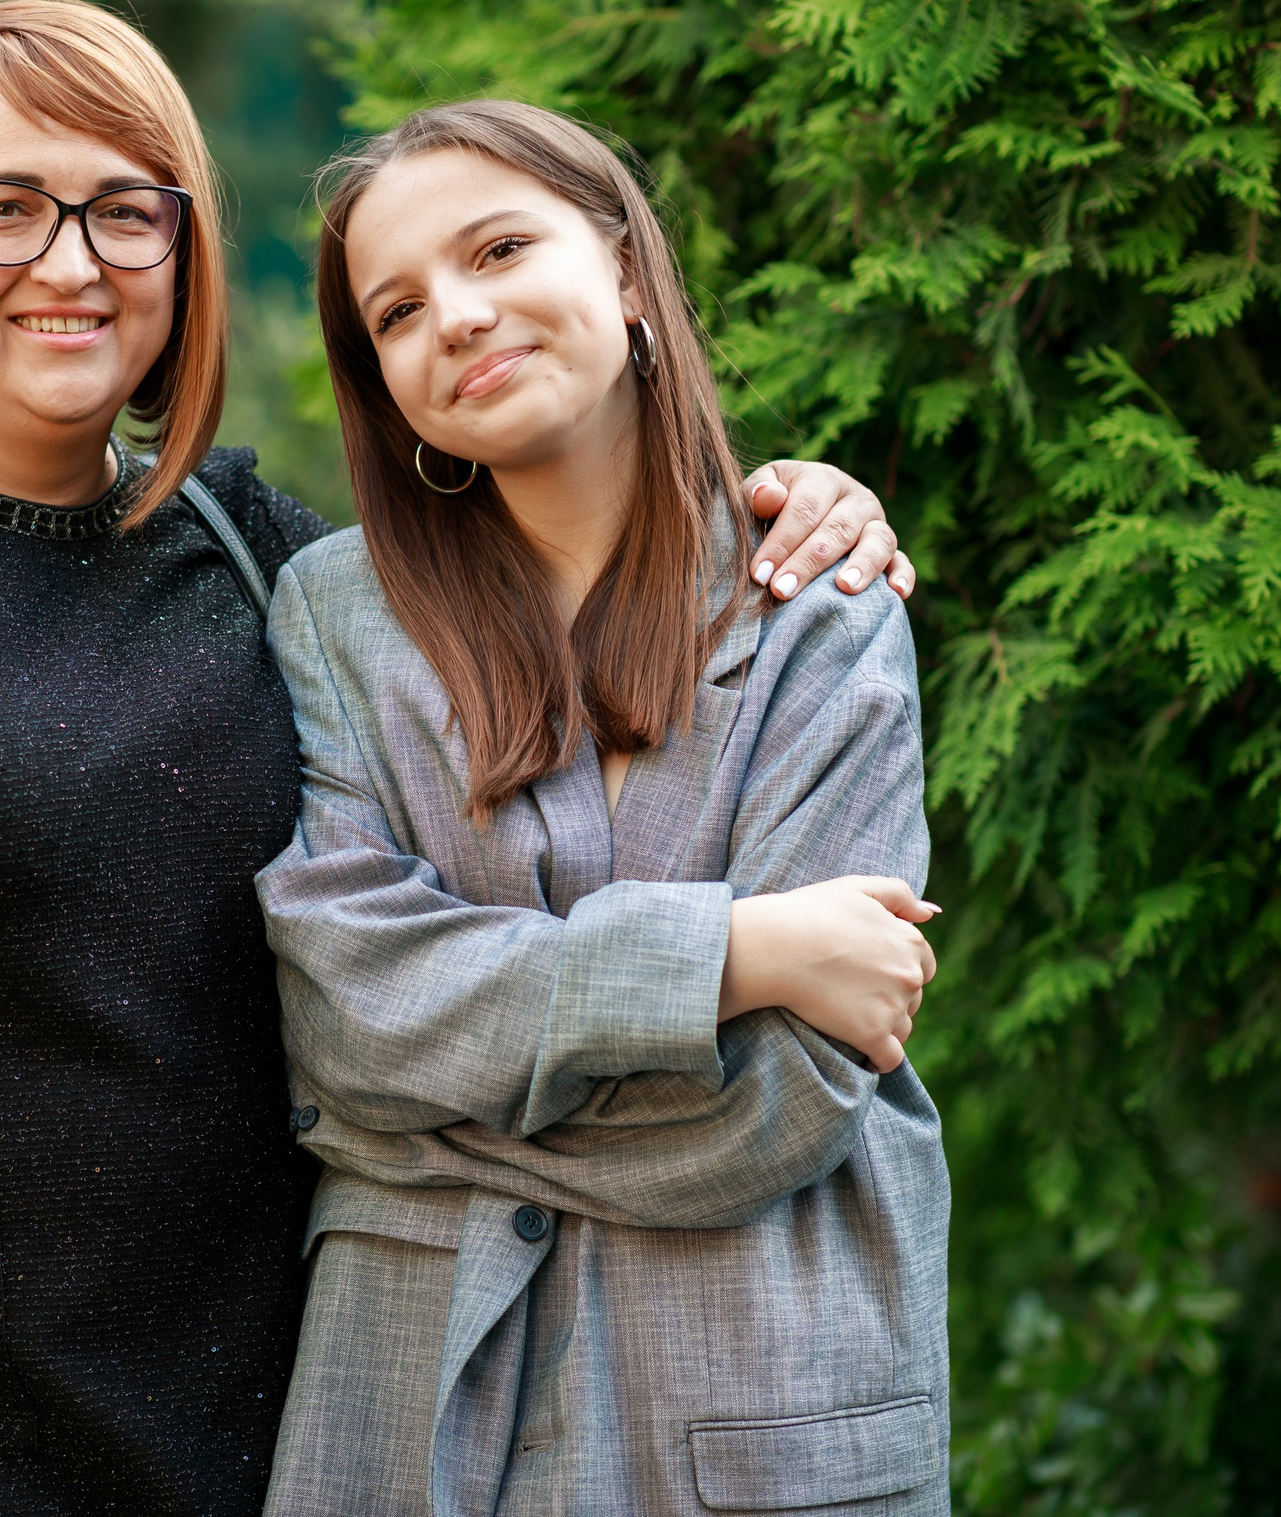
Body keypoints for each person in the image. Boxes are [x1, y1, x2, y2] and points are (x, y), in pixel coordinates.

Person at [0, 0, 912, 1517]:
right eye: (3, 209)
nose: (72, 261)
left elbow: (563, 617)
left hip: (276, 1422)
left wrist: (790, 506)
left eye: (129, 212)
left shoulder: (260, 561)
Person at [258, 100, 949, 1517]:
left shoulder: (817, 602)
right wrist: (734, 960)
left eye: (500, 248)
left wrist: (421, 1115)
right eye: (395, 312)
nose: (453, 317)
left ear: (627, 272)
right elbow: (344, 1018)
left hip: (754, 1399)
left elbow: (793, 1096)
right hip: (406, 1413)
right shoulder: (335, 618)